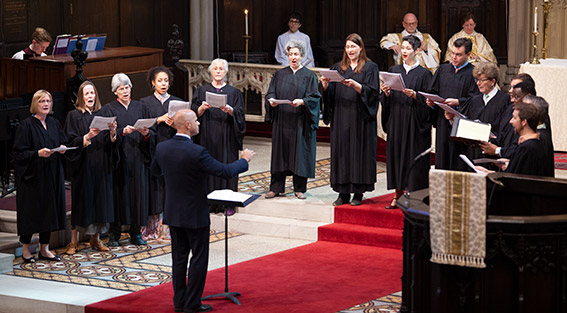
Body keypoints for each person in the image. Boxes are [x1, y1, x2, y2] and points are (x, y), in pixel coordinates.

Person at [151, 109, 254, 313]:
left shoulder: (162, 148)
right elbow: (225, 172)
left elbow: (154, 171)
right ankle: (193, 303)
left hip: (174, 212)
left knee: (178, 259)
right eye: (196, 121)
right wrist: (244, 160)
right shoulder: (197, 152)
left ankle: (179, 302)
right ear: (187, 125)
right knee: (198, 259)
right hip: (195, 215)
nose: (199, 123)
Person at [321, 33, 380, 206]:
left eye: (353, 47)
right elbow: (329, 94)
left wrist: (357, 86)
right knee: (342, 153)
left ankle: (358, 193)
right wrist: (324, 85)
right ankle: (342, 193)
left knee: (358, 153)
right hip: (341, 117)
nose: (350, 50)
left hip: (360, 118)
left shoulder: (370, 67)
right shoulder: (338, 67)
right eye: (347, 47)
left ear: (361, 48)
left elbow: (373, 93)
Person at [12, 90, 67, 263]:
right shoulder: (26, 125)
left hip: (51, 174)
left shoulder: (53, 123)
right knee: (31, 212)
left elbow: (62, 140)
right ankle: (26, 249)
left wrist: (62, 147)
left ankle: (45, 248)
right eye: (42, 101)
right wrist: (37, 154)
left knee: (49, 212)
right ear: (35, 104)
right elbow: (18, 154)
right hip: (32, 177)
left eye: (48, 101)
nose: (46, 104)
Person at [98, 73, 153, 247]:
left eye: (127, 87)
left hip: (137, 157)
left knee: (138, 196)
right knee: (118, 196)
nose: (125, 91)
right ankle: (114, 234)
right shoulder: (109, 109)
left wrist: (146, 134)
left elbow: (152, 132)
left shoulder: (141, 106)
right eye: (121, 89)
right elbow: (104, 135)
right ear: (115, 92)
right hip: (119, 159)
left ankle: (136, 232)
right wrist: (121, 132)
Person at [64, 81, 117, 254]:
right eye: (86, 94)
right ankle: (73, 242)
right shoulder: (73, 115)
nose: (90, 97)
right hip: (83, 165)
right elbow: (70, 142)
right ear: (81, 97)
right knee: (82, 202)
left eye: (92, 93)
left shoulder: (104, 113)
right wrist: (87, 136)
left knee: (100, 203)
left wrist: (112, 132)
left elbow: (111, 144)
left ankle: (96, 239)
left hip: (101, 164)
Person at [380, 35, 432, 209]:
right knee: (396, 157)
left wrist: (415, 95)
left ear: (417, 51)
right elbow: (386, 98)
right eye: (403, 48)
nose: (404, 51)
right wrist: (386, 93)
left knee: (412, 158)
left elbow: (429, 101)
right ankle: (397, 194)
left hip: (415, 123)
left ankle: (414, 195)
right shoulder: (394, 70)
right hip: (397, 119)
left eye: (408, 49)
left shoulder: (424, 74)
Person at [265, 40, 321, 200]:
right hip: (282, 121)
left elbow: (315, 97)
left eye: (296, 54)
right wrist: (271, 100)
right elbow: (270, 93)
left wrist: (302, 102)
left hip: (300, 122)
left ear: (302, 55)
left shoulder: (309, 75)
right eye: (290, 54)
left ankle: (299, 188)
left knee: (300, 154)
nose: (293, 57)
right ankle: (275, 187)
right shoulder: (280, 74)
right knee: (279, 154)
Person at [191, 59, 246, 214]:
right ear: (211, 71)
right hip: (207, 135)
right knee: (207, 167)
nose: (218, 71)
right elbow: (193, 112)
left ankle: (228, 204)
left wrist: (230, 110)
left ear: (226, 71)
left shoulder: (234, 92)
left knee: (226, 165)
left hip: (226, 135)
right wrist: (201, 109)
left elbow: (240, 115)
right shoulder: (201, 91)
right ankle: (208, 202)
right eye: (215, 69)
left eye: (221, 69)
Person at [140, 66, 183, 239]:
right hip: (153, 148)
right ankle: (153, 227)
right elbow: (142, 124)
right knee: (155, 186)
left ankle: (170, 225)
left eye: (166, 80)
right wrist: (159, 119)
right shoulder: (145, 103)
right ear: (153, 82)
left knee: (171, 185)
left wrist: (175, 124)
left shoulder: (177, 102)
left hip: (173, 147)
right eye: (160, 80)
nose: (163, 84)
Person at [426, 37, 479, 171]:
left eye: (458, 54)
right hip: (442, 121)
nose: (454, 57)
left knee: (458, 160)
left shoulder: (473, 73)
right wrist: (431, 102)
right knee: (442, 159)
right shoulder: (443, 69)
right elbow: (433, 90)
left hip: (461, 125)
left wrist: (458, 102)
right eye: (452, 53)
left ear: (468, 55)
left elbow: (476, 100)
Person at [476, 96, 554, 177]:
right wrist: (509, 164)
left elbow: (516, 179)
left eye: (514, 118)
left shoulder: (527, 147)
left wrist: (488, 174)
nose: (510, 121)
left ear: (524, 122)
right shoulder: (533, 142)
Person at [447, 62, 509, 164]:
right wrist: (452, 119)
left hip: (491, 153)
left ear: (492, 81)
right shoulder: (475, 100)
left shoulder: (504, 100)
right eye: (477, 80)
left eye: (482, 80)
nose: (478, 83)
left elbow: (504, 128)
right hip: (474, 152)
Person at [479, 74, 537, 159]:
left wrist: (497, 150)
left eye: (515, 87)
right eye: (511, 87)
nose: (510, 91)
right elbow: (500, 134)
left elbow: (521, 148)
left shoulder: (534, 113)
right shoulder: (510, 109)